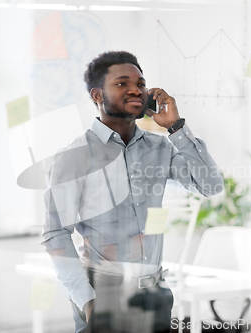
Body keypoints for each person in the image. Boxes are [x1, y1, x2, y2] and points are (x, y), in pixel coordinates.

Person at [41, 51, 224, 333]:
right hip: (104, 294)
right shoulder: (73, 157)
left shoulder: (160, 147)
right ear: (97, 95)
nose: (135, 90)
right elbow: (55, 233)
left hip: (155, 293)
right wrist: (87, 301)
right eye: (121, 83)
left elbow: (210, 185)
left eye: (141, 83)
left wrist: (176, 128)